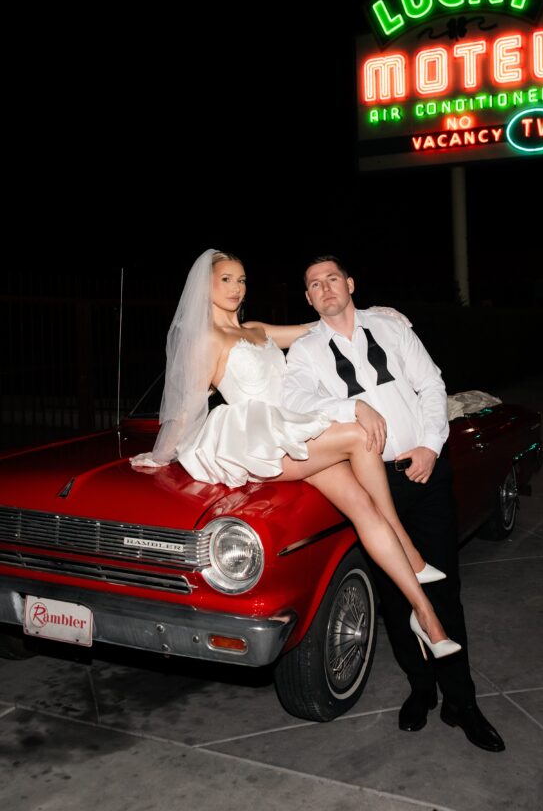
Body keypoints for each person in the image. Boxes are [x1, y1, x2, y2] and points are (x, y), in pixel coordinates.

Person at [131, 248, 458, 659]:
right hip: (256, 440)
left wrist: (382, 313)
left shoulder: (256, 329)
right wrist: (161, 454)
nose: (236, 288)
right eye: (226, 279)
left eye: (242, 279)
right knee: (358, 436)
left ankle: (425, 615)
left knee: (362, 507)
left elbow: (318, 326)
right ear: (205, 287)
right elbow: (184, 405)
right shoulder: (207, 340)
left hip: (290, 429)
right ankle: (407, 547)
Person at [282, 255, 505, 751]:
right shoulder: (304, 351)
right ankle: (420, 690)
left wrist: (429, 444)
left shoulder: (391, 325)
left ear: (350, 283)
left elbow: (431, 384)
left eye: (332, 279)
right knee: (392, 592)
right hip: (371, 484)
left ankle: (461, 700)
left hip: (423, 472)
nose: (325, 288)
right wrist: (349, 406)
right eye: (314, 284)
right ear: (308, 298)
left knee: (443, 585)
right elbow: (294, 404)